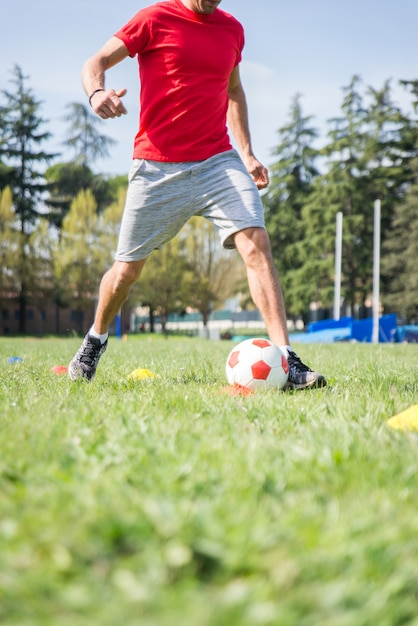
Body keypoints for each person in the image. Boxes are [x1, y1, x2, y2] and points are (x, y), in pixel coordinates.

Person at [68, 0, 326, 390]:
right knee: (125, 273)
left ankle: (288, 360)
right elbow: (95, 61)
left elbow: (234, 90)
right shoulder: (154, 19)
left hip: (217, 161)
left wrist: (248, 153)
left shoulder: (232, 30)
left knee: (256, 242)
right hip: (156, 166)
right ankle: (95, 339)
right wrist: (96, 93)